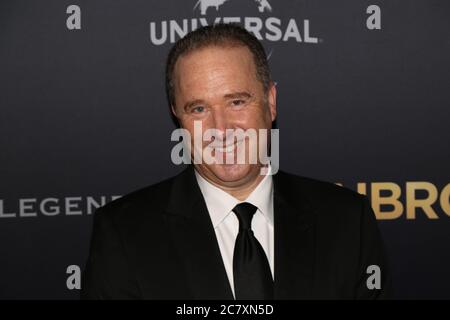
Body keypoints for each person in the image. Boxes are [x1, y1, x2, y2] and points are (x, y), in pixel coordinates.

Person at [81, 24, 391, 299]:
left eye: (237, 102)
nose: (221, 128)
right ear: (178, 116)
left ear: (270, 103)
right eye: (199, 109)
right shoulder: (124, 234)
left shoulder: (348, 221)